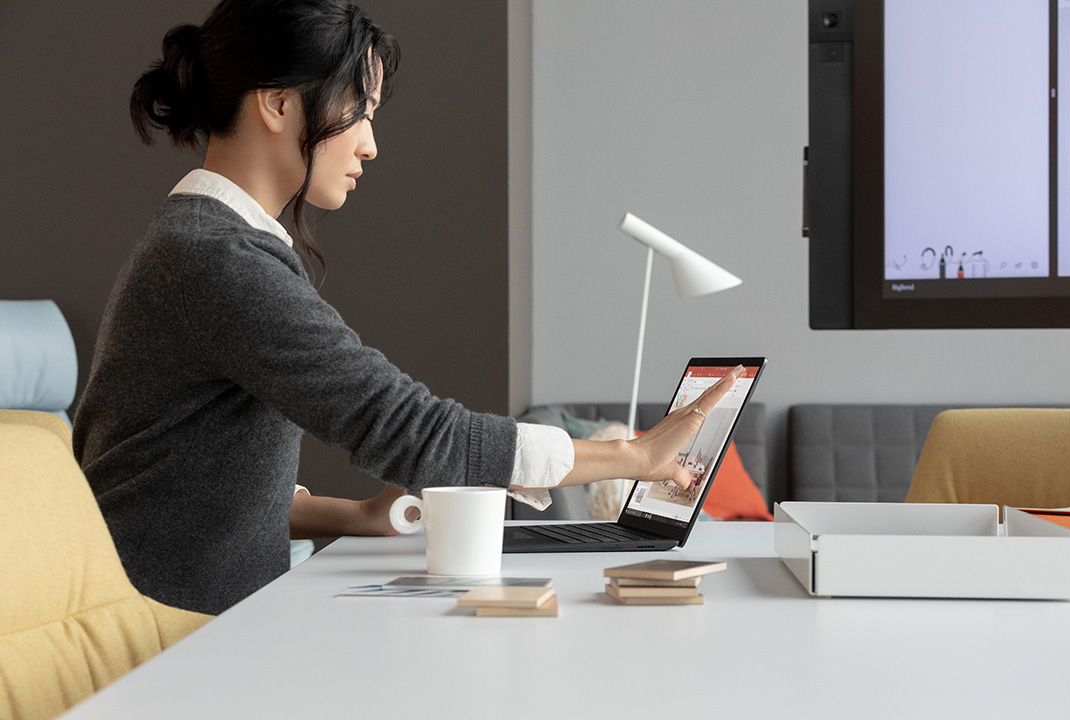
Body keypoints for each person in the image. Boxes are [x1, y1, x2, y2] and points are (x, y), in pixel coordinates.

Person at [73, 0, 743, 616]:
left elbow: (188, 481)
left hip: (200, 618)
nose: (369, 143)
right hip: (166, 639)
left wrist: (359, 516)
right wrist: (636, 458)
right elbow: (412, 431)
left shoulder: (207, 245)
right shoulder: (217, 261)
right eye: (358, 109)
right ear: (277, 103)